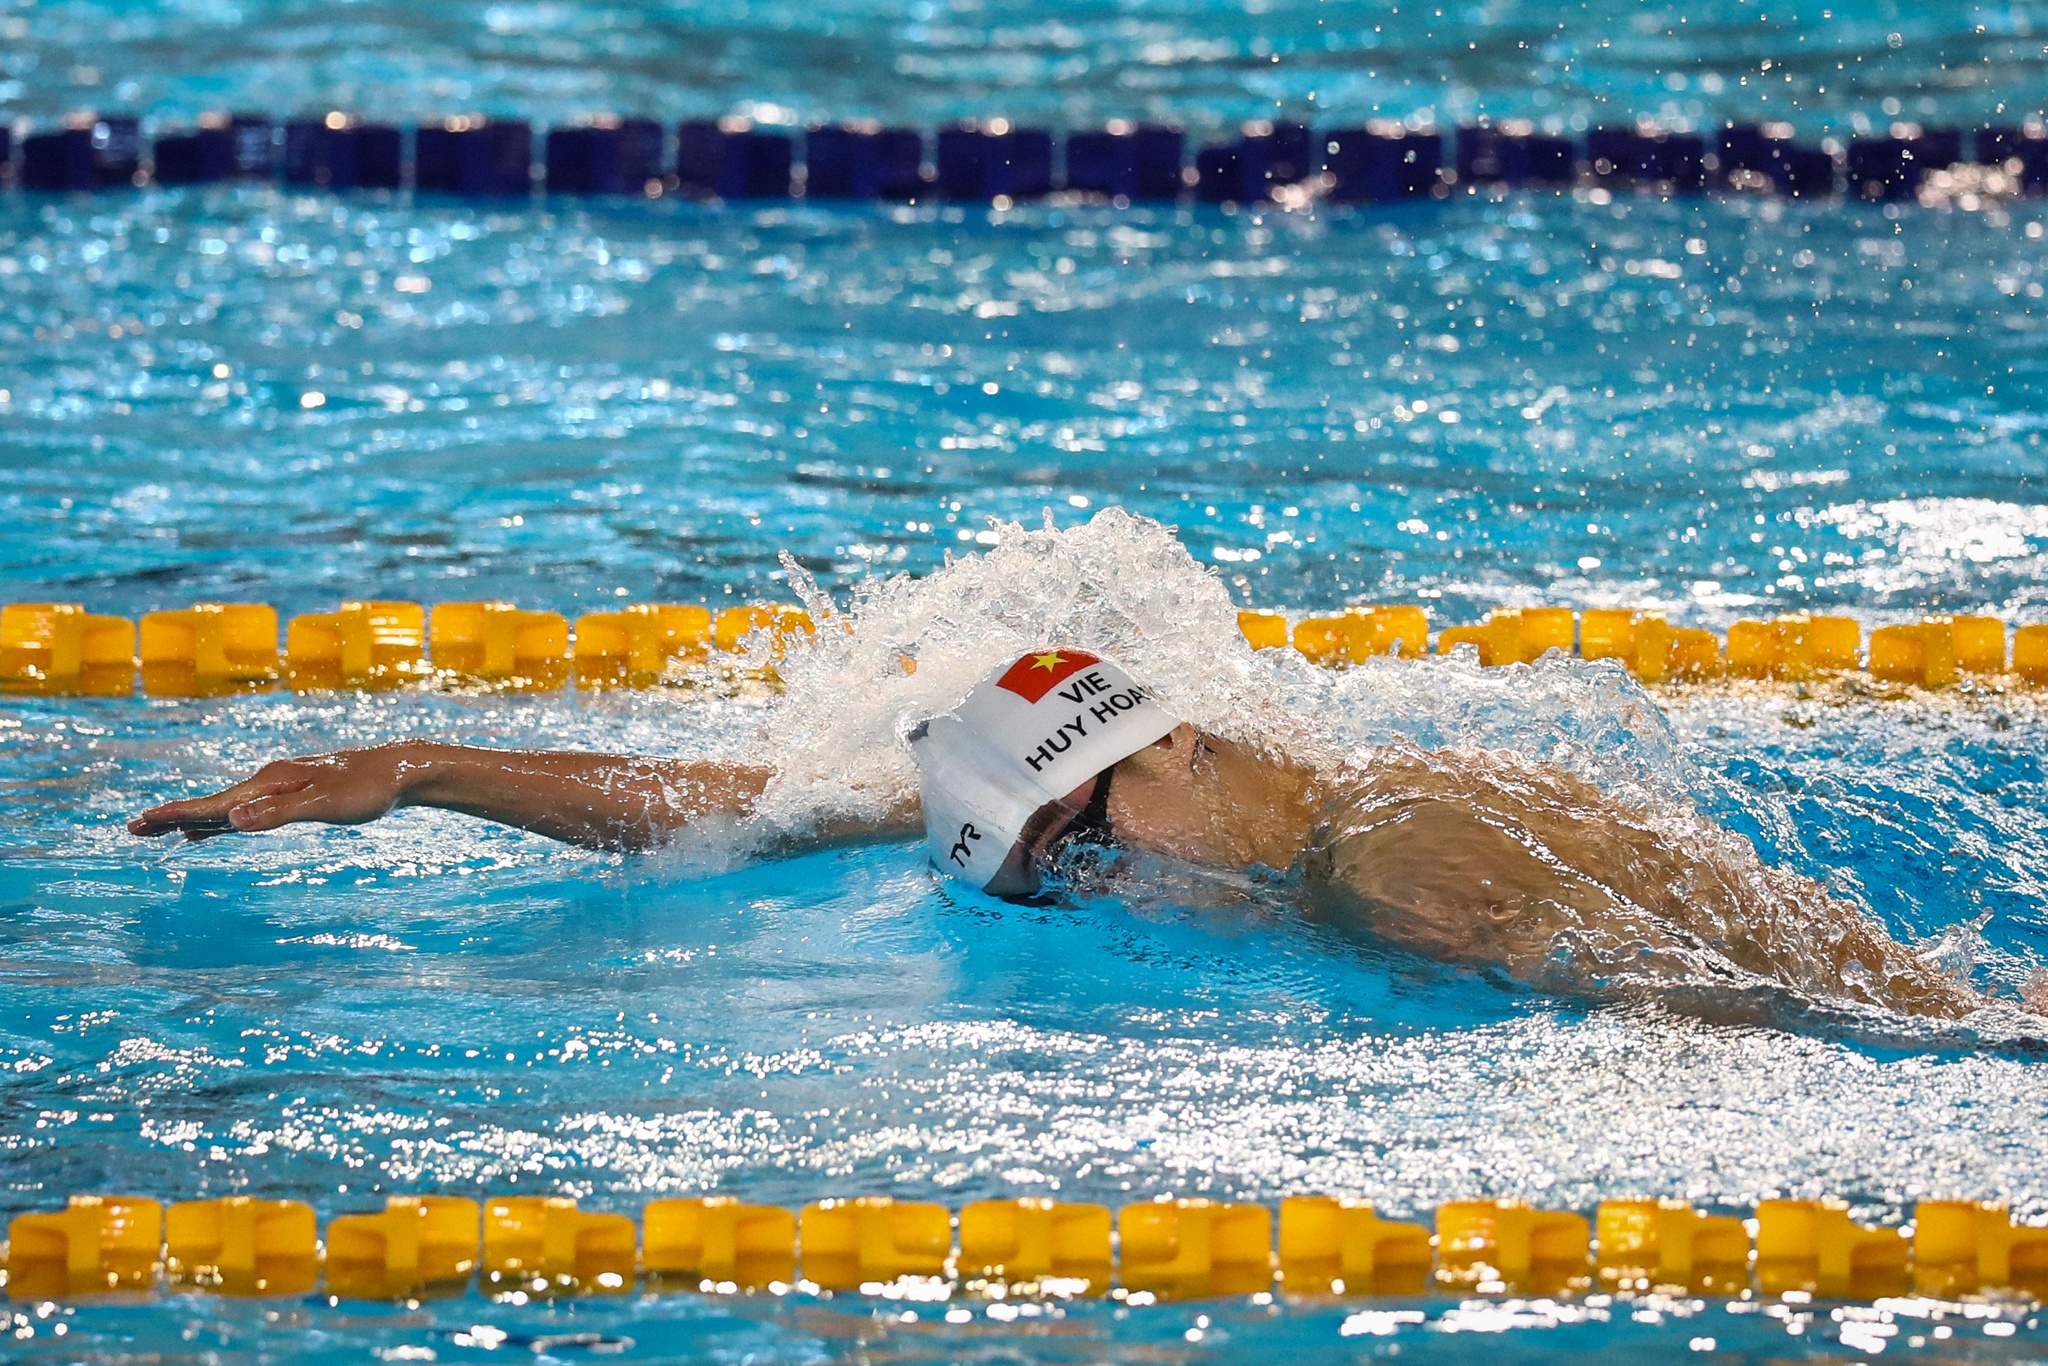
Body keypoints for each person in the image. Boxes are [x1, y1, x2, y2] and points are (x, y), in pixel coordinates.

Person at [132, 646, 1995, 1020]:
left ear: (1142, 775)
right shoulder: (1252, 791)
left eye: (1077, 860)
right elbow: (768, 819)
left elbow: (1732, 1016)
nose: (1103, 896)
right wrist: (415, 768)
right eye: (1057, 880)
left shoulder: (1389, 875)